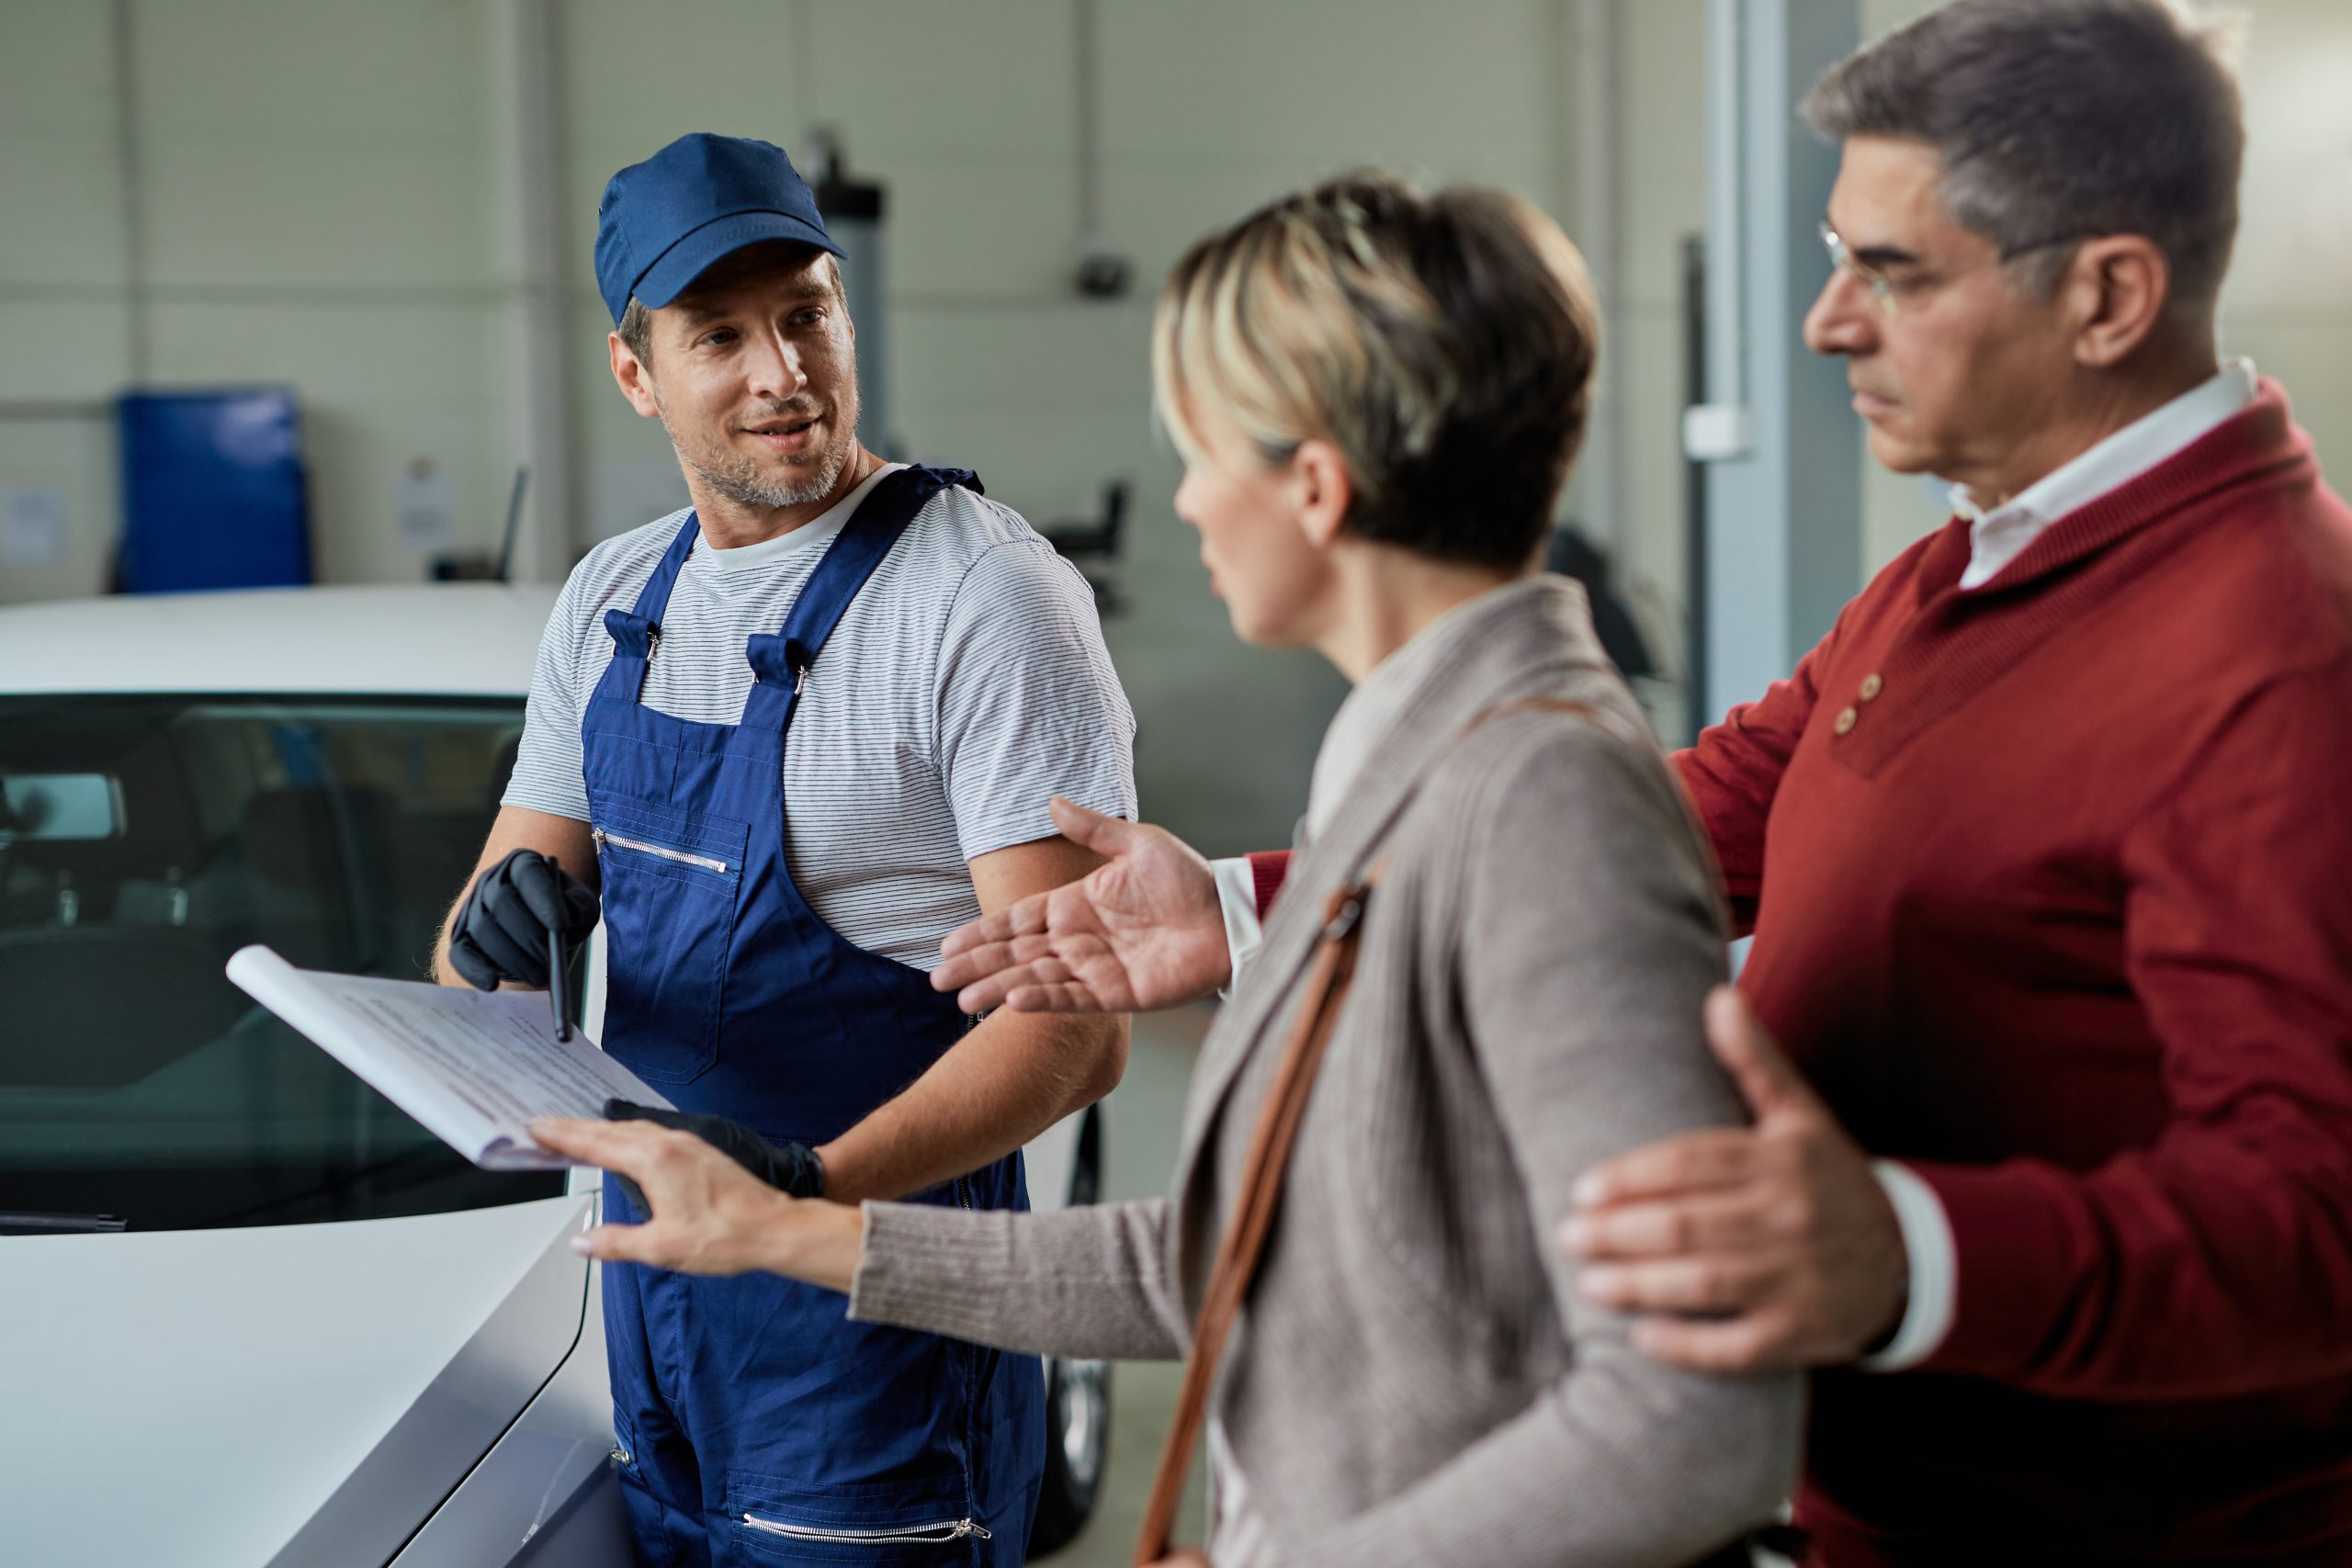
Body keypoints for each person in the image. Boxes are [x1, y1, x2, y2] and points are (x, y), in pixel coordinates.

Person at [915, 3, 2352, 1562]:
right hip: (1877, 1501)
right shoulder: (1964, 571)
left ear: (2108, 295)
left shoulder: (2271, 650)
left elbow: (2320, 1222)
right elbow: (1716, 803)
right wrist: (1261, 904)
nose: (1826, 323)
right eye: (1836, 254)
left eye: (1894, 272)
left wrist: (1911, 1258)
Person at [536, 171, 1802, 1568]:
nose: (1188, 499)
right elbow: (1229, 1256)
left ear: (1316, 486)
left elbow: (1694, 1425)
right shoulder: (1409, 777)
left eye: (1202, 450)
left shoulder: (1544, 802)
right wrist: (792, 1233)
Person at [431, 133, 1136, 1564]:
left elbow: (1077, 1034)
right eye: (719, 336)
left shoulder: (986, 599)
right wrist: (495, 935)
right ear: (637, 374)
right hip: (660, 1290)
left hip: (879, 1310)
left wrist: (812, 1198)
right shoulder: (614, 597)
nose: (783, 374)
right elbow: (469, 965)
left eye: (806, 313)